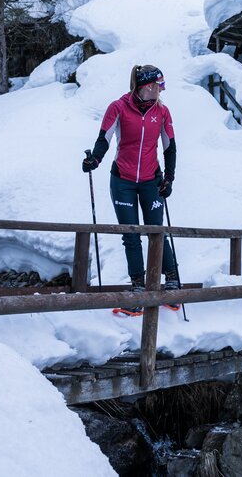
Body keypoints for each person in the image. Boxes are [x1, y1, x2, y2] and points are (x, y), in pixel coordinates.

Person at [83, 64, 179, 316]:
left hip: (151, 180)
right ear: (145, 86)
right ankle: (138, 287)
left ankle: (171, 280)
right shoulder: (118, 107)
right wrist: (94, 159)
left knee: (156, 232)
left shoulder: (162, 112)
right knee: (131, 234)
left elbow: (170, 147)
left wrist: (169, 177)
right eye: (158, 85)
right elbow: (104, 138)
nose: (160, 90)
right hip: (123, 179)